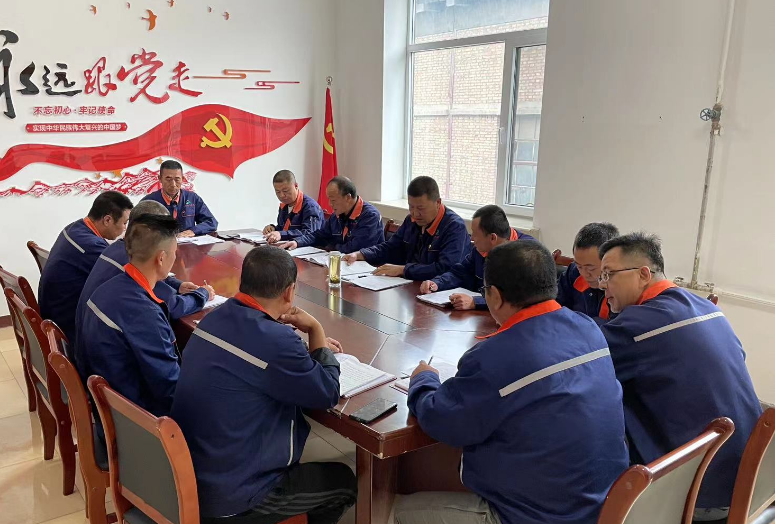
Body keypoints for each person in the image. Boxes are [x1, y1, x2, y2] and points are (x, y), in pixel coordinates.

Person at [397, 241, 628, 524]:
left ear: (494, 295)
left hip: (536, 517)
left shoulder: (495, 356)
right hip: (605, 506)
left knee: (389, 509)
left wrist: (423, 379)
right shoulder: (588, 328)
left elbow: (441, 420)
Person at [171, 247, 357, 524]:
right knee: (343, 482)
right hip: (236, 499)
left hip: (191, 476)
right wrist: (316, 330)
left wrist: (299, 350)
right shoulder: (278, 341)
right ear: (289, 292)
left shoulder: (214, 317)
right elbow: (327, 391)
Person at [597, 232, 762, 521]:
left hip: (702, 494)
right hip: (751, 478)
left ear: (643, 274)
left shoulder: (639, 325)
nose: (602, 285)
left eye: (609, 274)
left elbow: (583, 361)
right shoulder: (708, 308)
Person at [74, 201, 214, 355]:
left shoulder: (119, 249)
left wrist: (177, 285)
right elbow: (172, 307)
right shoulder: (134, 267)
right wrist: (203, 294)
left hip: (91, 344)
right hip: (107, 352)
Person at [75, 214, 181, 417]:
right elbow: (170, 389)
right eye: (175, 253)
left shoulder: (107, 288)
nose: (175, 258)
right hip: (134, 417)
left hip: (106, 400)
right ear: (161, 258)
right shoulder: (144, 313)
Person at [39, 190, 133, 345]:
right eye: (124, 223)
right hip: (68, 326)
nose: (125, 229)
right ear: (107, 220)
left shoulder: (75, 227)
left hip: (55, 313)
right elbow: (127, 274)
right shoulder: (90, 246)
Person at [342, 176, 469, 279]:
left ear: (438, 203)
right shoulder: (411, 220)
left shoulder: (454, 227)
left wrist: (403, 270)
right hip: (408, 285)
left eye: (421, 208)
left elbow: (446, 268)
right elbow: (390, 247)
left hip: (441, 292)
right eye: (411, 207)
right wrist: (360, 254)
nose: (415, 213)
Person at [418, 205, 534, 310]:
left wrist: (475, 302)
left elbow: (517, 298)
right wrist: (437, 283)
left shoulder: (527, 254)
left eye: (475, 234)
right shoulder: (481, 249)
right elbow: (460, 272)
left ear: (492, 238)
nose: (472, 238)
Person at [279, 177, 384, 253]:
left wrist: (332, 247)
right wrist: (297, 242)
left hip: (366, 268)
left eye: (333, 200)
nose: (329, 204)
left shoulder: (370, 216)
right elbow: (320, 235)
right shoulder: (337, 215)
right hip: (340, 262)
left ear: (348, 197)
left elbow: (355, 248)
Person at [556, 222, 619, 324]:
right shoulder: (574, 273)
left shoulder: (623, 288)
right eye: (579, 266)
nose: (584, 274)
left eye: (591, 269)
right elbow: (556, 307)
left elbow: (616, 327)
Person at [141, 159, 218, 237]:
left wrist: (193, 231)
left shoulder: (192, 198)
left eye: (177, 179)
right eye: (168, 179)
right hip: (160, 243)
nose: (173, 184)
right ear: (160, 178)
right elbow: (138, 228)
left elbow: (211, 222)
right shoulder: (148, 202)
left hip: (187, 242)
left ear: (183, 179)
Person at [263, 170, 324, 244]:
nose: (282, 195)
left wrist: (281, 234)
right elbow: (284, 228)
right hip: (288, 245)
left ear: (296, 186)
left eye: (285, 191)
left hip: (309, 248)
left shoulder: (310, 206)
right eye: (278, 192)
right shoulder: (284, 205)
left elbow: (310, 234)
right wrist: (273, 229)